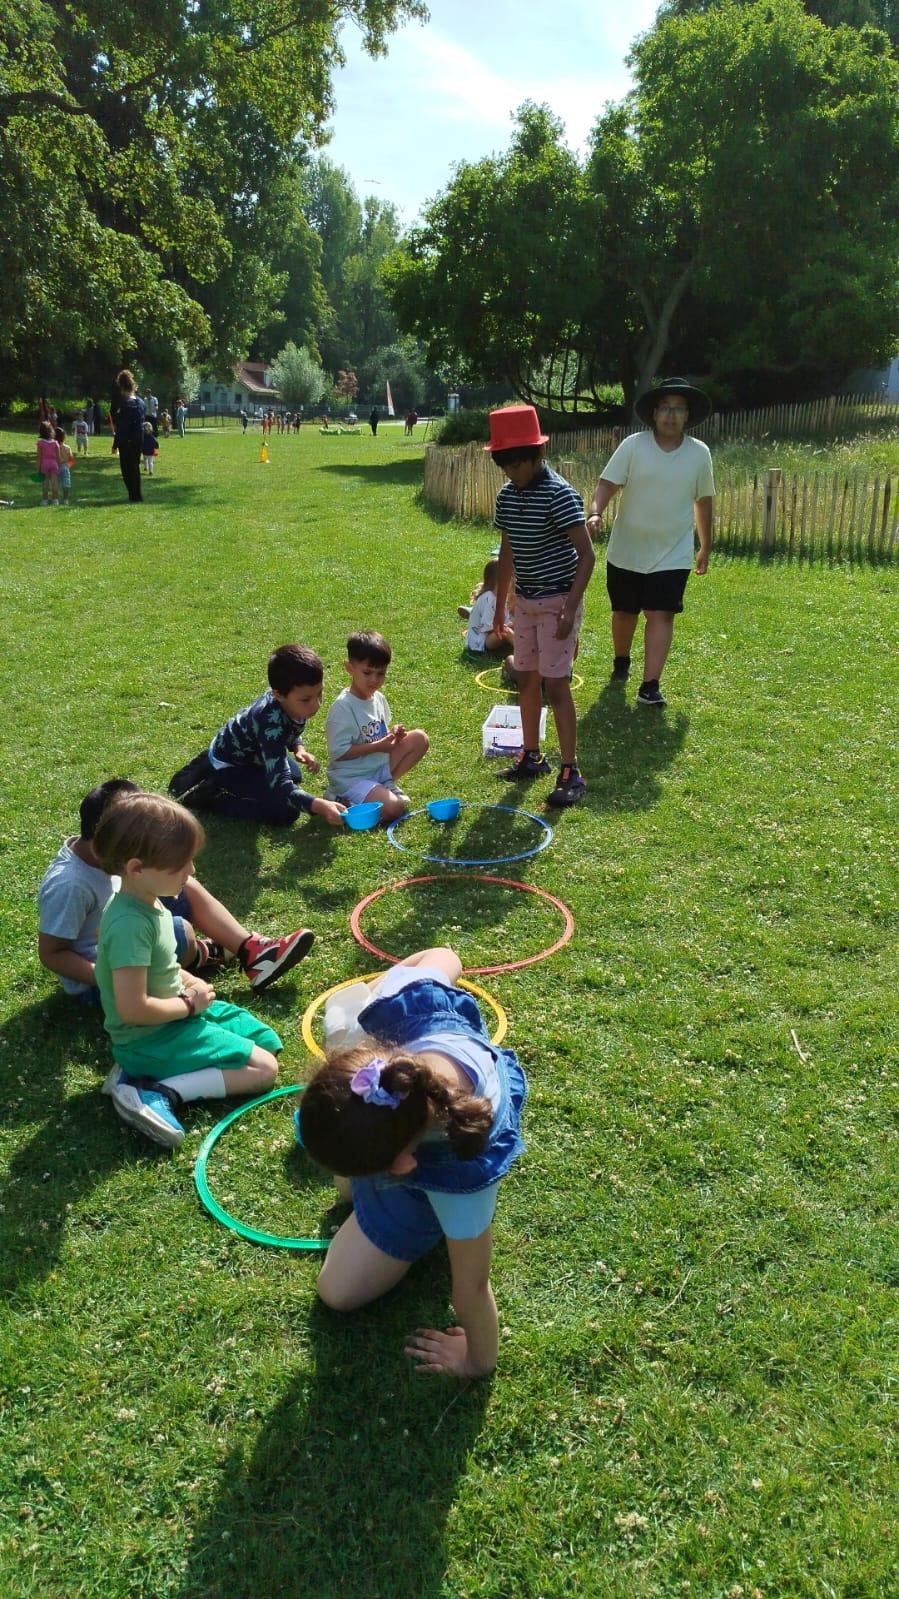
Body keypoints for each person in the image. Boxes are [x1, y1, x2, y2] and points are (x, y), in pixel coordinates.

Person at [299, 946, 527, 1379]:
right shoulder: (409, 999)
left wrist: (476, 1361)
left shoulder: (461, 1177)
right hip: (404, 1129)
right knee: (345, 1185)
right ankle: (359, 1169)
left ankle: (406, 1208)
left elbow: (473, 1286)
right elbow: (444, 954)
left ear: (402, 1168)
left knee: (336, 1291)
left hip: (440, 1160)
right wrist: (376, 987)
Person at [93, 792, 283, 1149]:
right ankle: (154, 1090)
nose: (192, 871)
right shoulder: (129, 925)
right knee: (263, 1070)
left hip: (176, 1019)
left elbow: (161, 966)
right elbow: (133, 1008)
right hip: (150, 1037)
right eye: (180, 865)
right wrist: (188, 1005)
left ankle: (141, 1073)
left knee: (267, 1042)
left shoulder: (149, 901)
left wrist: (190, 979)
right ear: (136, 868)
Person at [38, 779, 316, 1006]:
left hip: (130, 926)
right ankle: (208, 952)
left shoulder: (114, 858)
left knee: (182, 881)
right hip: (108, 976)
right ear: (109, 839)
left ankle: (253, 950)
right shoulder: (70, 885)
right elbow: (52, 953)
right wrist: (109, 978)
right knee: (179, 933)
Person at [586, 378, 714, 708]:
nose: (671, 415)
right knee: (624, 612)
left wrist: (705, 545)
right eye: (665, 408)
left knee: (661, 614)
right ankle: (621, 660)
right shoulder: (634, 446)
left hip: (673, 552)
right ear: (654, 413)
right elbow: (607, 483)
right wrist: (596, 512)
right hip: (626, 549)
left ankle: (650, 685)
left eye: (679, 409)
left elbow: (703, 501)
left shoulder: (699, 454)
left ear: (687, 415)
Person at [490, 405, 595, 807]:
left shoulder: (559, 494)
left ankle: (571, 771)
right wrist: (500, 608)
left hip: (557, 602)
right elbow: (507, 553)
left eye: (517, 465)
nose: (511, 473)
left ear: (537, 455)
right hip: (526, 602)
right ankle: (531, 755)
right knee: (526, 677)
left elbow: (587, 556)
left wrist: (570, 608)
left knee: (556, 684)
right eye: (505, 466)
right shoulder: (507, 497)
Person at [169, 644, 346, 828]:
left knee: (294, 775)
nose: (316, 704)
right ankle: (213, 796)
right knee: (286, 811)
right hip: (232, 765)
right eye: (306, 699)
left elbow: (289, 728)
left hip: (255, 754)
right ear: (278, 694)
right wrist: (319, 806)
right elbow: (280, 784)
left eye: (320, 693)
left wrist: (298, 747)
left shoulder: (290, 702)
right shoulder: (268, 723)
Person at [325, 631, 428, 823]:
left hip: (377, 767)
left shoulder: (378, 698)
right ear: (350, 668)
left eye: (381, 673)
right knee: (394, 808)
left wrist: (393, 735)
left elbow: (378, 734)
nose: (374, 680)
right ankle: (341, 798)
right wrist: (378, 746)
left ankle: (384, 786)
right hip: (352, 778)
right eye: (367, 672)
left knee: (420, 738)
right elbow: (338, 752)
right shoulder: (343, 707)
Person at [458, 558, 514, 654]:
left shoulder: (501, 596)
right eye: (511, 579)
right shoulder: (489, 598)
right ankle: (523, 649)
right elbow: (490, 628)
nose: (514, 582)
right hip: (481, 642)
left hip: (490, 635)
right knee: (506, 631)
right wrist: (512, 624)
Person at [111, 369, 146, 502]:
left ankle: (134, 495)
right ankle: (136, 494)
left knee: (127, 469)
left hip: (126, 440)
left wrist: (115, 444)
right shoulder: (141, 402)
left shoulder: (123, 404)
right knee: (135, 466)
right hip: (138, 438)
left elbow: (121, 427)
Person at [36, 421, 61, 506]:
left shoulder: (40, 443)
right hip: (54, 464)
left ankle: (45, 500)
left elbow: (39, 457)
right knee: (54, 483)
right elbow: (58, 457)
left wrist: (38, 468)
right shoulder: (55, 443)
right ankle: (55, 500)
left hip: (44, 464)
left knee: (45, 483)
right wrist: (59, 466)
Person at [55, 426, 75, 506]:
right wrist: (68, 466)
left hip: (56, 467)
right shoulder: (67, 447)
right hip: (65, 467)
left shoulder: (54, 447)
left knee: (56, 483)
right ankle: (65, 499)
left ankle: (55, 499)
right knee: (66, 483)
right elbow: (72, 460)